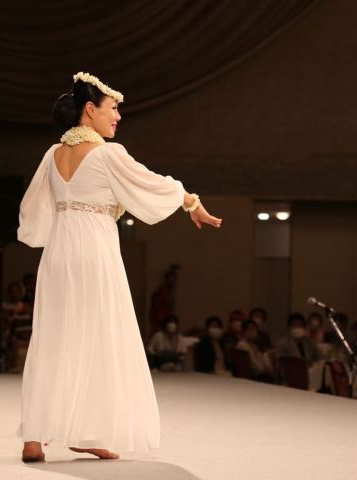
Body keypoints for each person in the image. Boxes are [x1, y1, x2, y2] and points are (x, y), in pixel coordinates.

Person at [16, 72, 222, 462]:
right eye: (112, 108)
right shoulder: (108, 154)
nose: (118, 117)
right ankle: (87, 430)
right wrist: (191, 201)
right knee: (97, 335)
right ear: (89, 110)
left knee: (53, 336)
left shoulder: (53, 154)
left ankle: (34, 436)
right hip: (94, 249)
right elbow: (151, 183)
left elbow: (31, 209)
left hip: (59, 251)